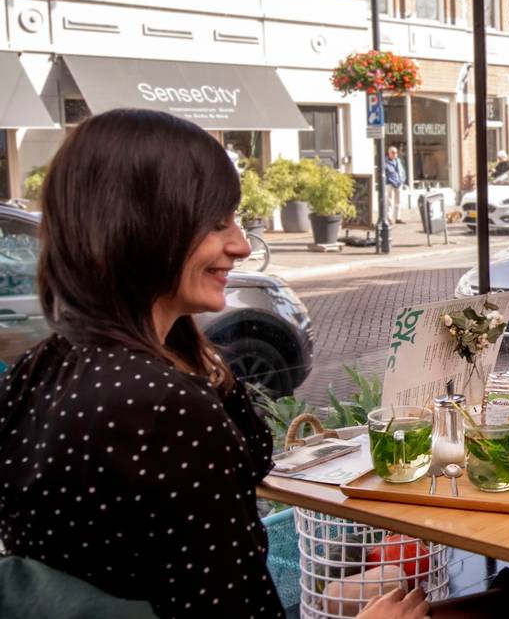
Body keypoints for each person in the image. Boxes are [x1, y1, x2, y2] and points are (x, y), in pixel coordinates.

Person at [0, 109, 430, 619]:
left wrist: (179, 336)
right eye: (216, 222)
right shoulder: (164, 407)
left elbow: (252, 456)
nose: (242, 245)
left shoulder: (39, 367)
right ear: (143, 226)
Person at [386, 145, 408, 224]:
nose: (395, 154)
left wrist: (402, 180)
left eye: (396, 152)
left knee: (398, 201)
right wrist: (391, 181)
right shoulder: (386, 162)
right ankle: (389, 218)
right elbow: (388, 173)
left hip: (399, 183)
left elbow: (402, 171)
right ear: (389, 153)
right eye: (393, 152)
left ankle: (398, 218)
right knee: (390, 201)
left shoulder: (398, 161)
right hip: (390, 183)